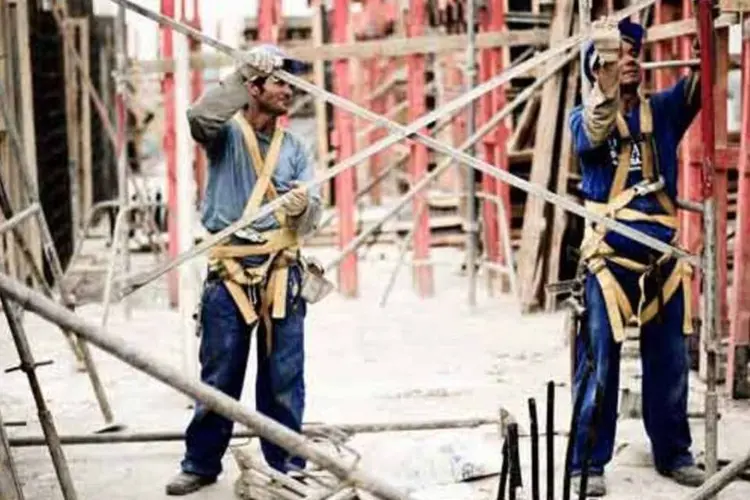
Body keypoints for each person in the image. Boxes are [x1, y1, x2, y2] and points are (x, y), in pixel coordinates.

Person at [165, 44, 321, 496]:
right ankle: (201, 463)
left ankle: (285, 461)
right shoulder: (225, 136)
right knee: (219, 376)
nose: (287, 91)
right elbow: (199, 119)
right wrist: (244, 70)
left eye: (291, 83)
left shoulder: (295, 148)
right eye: (278, 82)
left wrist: (301, 208)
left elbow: (315, 215)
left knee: (284, 377)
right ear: (253, 88)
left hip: (282, 273)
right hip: (229, 275)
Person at [567, 17, 707, 497]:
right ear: (595, 66)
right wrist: (601, 79)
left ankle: (674, 453)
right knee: (599, 360)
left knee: (670, 360)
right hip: (609, 258)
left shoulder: (664, 112)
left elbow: (707, 79)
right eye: (614, 54)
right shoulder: (583, 120)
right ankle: (586, 463)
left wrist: (714, 32)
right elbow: (595, 125)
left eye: (632, 52)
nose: (629, 60)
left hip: (664, 258)